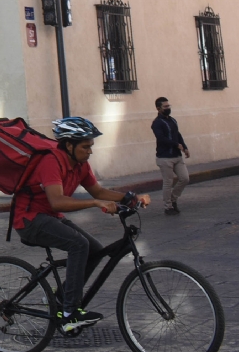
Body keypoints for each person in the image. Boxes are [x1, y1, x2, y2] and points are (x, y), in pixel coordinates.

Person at [12, 117, 150, 333]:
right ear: (69, 145)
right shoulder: (51, 161)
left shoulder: (81, 165)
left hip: (50, 216)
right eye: (86, 147)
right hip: (29, 219)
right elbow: (57, 201)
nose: (90, 151)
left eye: (91, 146)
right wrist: (96, 204)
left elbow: (98, 191)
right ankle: (69, 313)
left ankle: (61, 297)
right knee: (78, 244)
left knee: (95, 250)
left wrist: (129, 198)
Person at [151, 97, 190, 215]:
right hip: (164, 157)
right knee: (168, 182)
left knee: (184, 178)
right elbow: (161, 138)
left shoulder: (172, 120)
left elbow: (177, 134)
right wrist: (175, 144)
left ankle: (173, 199)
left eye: (169, 106)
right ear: (158, 108)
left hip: (177, 156)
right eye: (165, 107)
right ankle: (168, 206)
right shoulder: (157, 123)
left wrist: (184, 147)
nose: (168, 108)